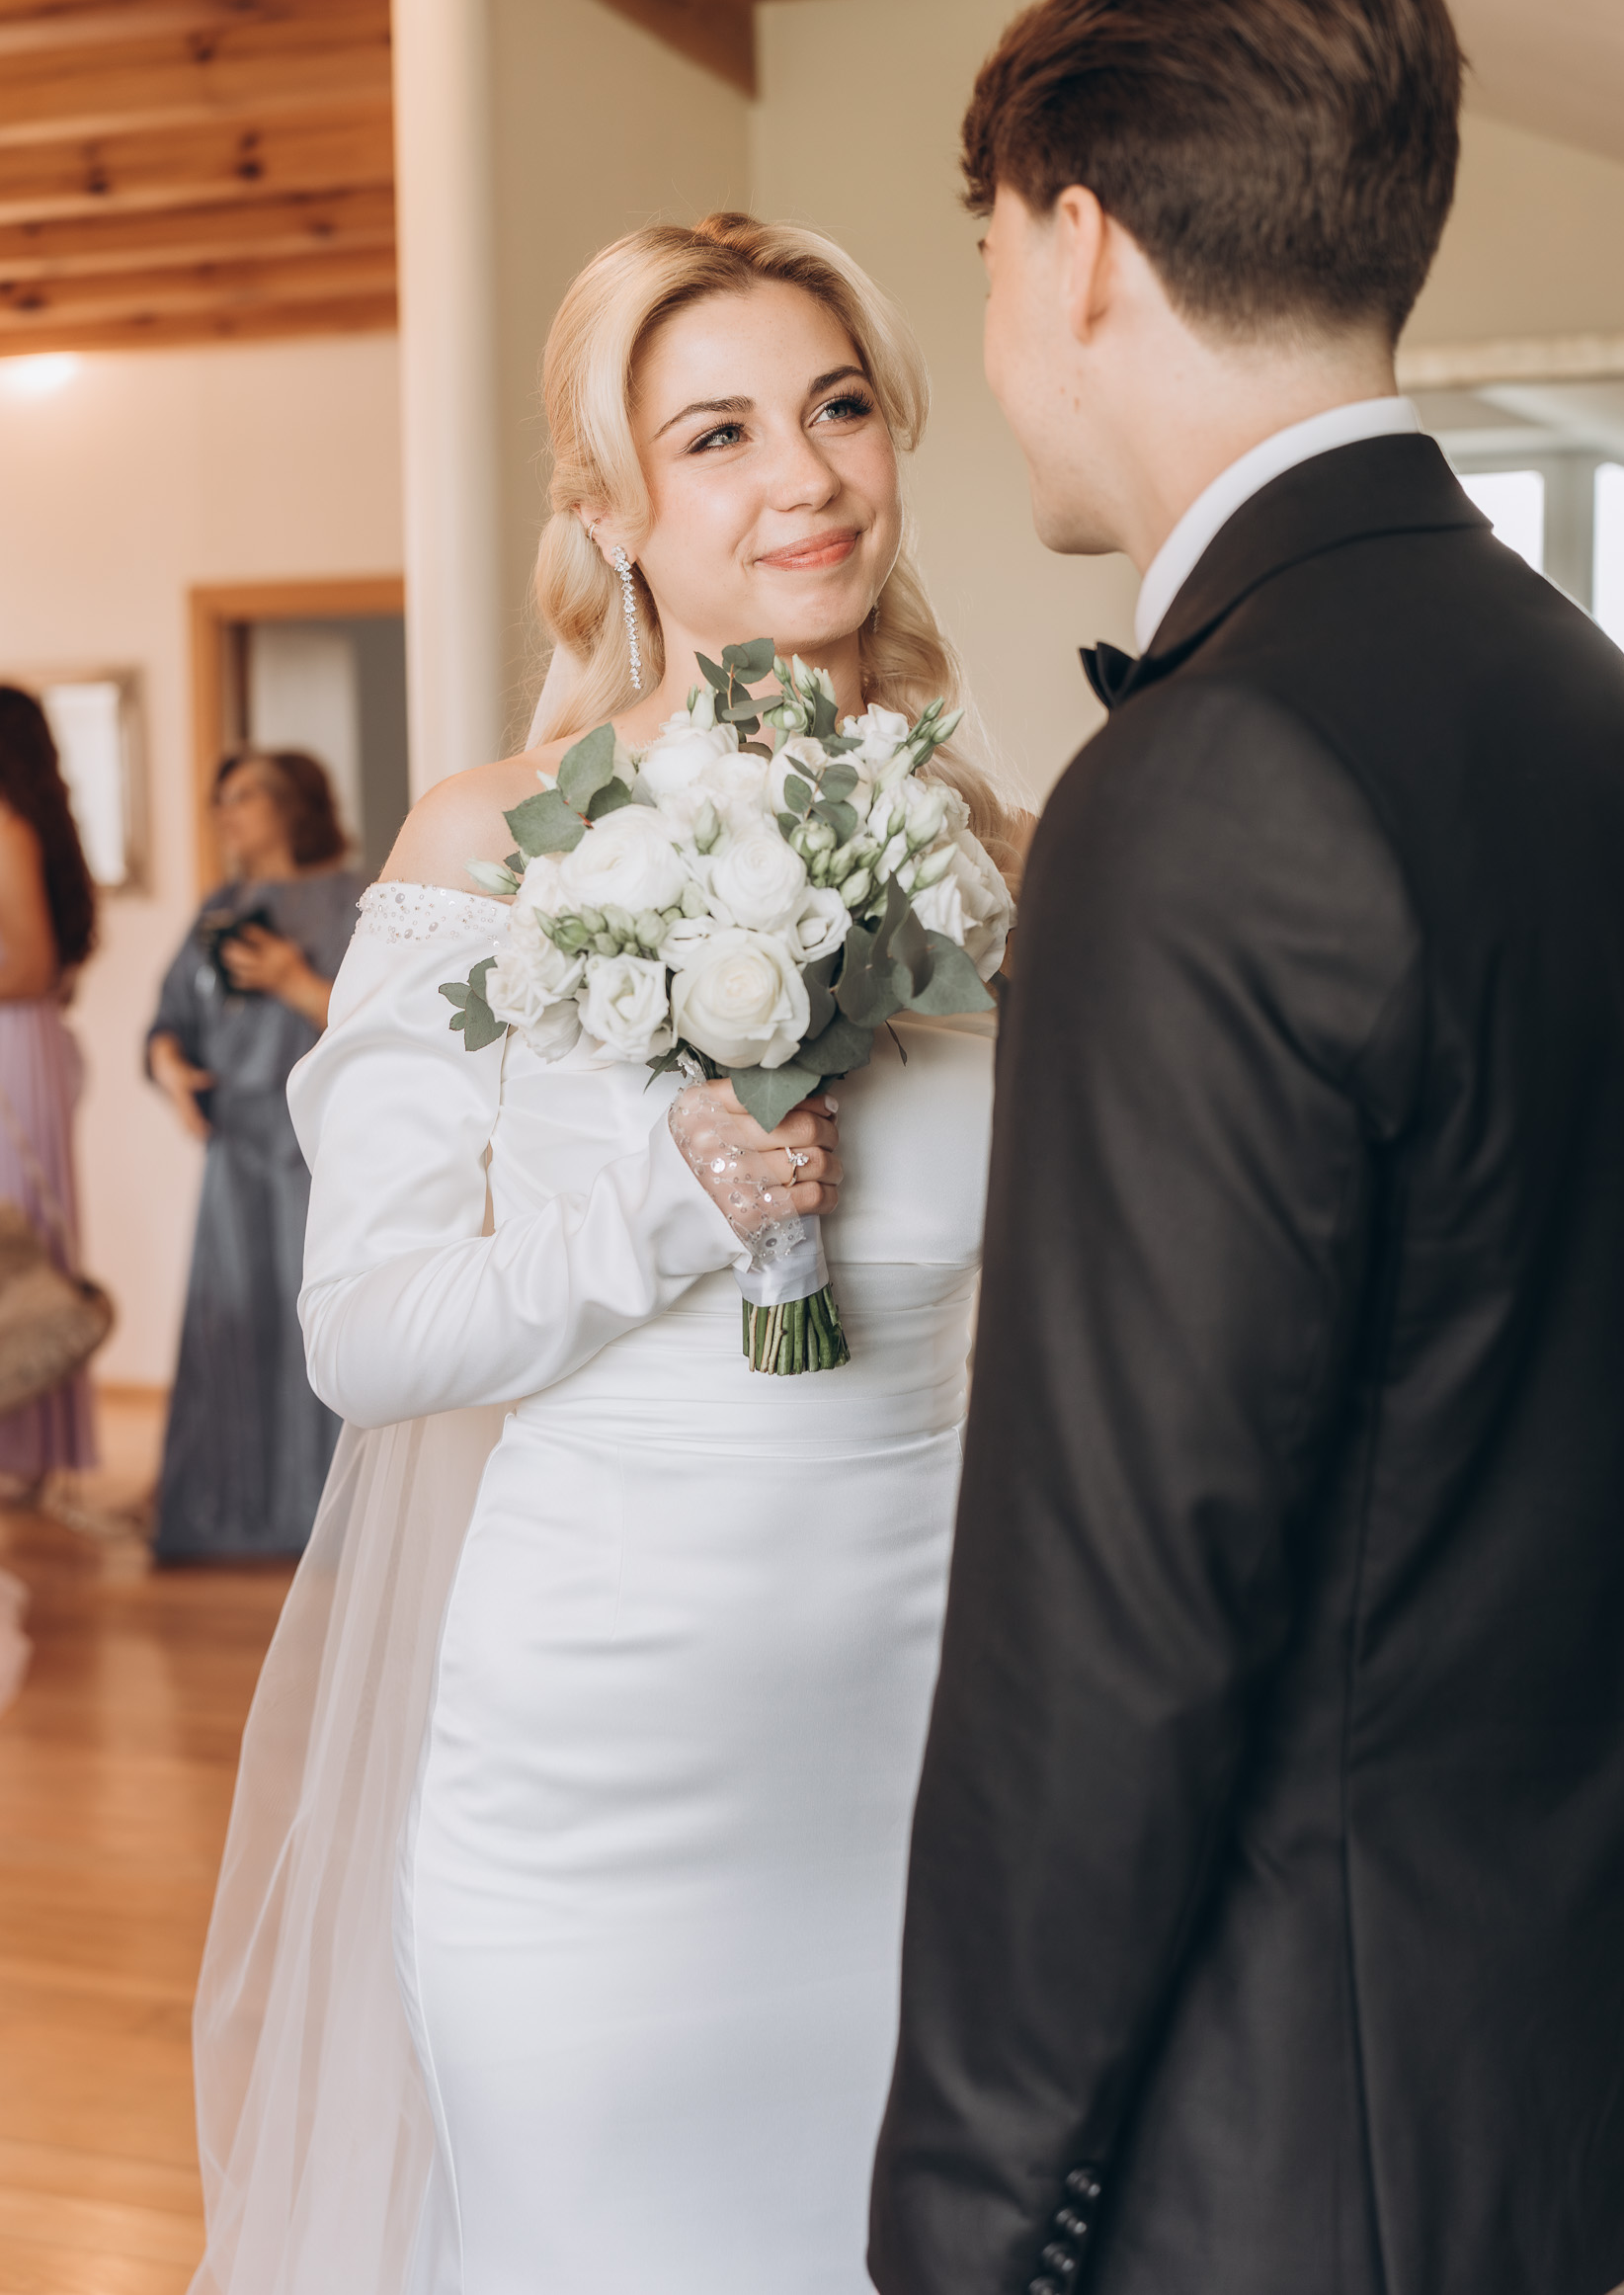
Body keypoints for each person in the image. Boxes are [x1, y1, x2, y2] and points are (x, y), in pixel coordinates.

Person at [868, 0, 1624, 2295]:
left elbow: (1110, 1601)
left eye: (987, 265)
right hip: (1539, 2072)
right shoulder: (1576, 697)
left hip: (1285, 2138)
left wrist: (962, 2213)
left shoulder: (1209, 775)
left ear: (1079, 248)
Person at [189, 213, 1019, 2295]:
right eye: (717, 434)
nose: (804, 477)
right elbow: (367, 1332)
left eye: (837, 408)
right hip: (593, 1787)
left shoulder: (995, 861)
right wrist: (671, 1196)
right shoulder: (485, 844)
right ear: (610, 505)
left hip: (930, 1761)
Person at [147, 751, 364, 1562]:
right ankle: (221, 1519)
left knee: (314, 1325)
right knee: (230, 1326)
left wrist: (292, 979)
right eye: (220, 799)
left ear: (292, 805)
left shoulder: (353, 900)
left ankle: (319, 1518)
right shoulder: (219, 908)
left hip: (316, 1153)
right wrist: (169, 1066)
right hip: (234, 1156)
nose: (225, 814)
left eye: (244, 797)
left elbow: (380, 1023)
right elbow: (168, 1018)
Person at [0, 685, 99, 1507]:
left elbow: (29, 965)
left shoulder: (6, 828)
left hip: (11, 1041)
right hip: (21, 1039)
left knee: (17, 1242)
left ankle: (20, 1448)